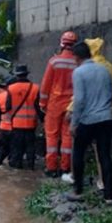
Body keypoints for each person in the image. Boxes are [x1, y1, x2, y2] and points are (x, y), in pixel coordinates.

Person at [60, 37, 112, 187]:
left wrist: (72, 116)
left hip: (88, 118)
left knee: (78, 152)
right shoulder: (108, 68)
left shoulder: (82, 71)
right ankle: (106, 191)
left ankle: (77, 187)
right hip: (107, 116)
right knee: (104, 154)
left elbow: (80, 98)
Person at [39, 31, 78, 177]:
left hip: (54, 104)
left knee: (51, 136)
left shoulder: (54, 61)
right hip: (71, 105)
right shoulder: (77, 63)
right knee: (68, 136)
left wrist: (42, 103)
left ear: (61, 44)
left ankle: (51, 168)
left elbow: (45, 85)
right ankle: (65, 168)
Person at [6, 65, 43, 170]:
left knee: (17, 147)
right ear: (27, 74)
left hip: (16, 124)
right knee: (30, 147)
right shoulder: (35, 88)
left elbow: (7, 107)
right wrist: (43, 120)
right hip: (31, 124)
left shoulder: (11, 88)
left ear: (17, 76)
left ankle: (18, 166)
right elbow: (38, 106)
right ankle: (31, 166)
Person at [0, 75, 17, 166]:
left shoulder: (1, 96)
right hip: (16, 128)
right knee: (14, 150)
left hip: (3, 128)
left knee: (1, 149)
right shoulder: (19, 96)